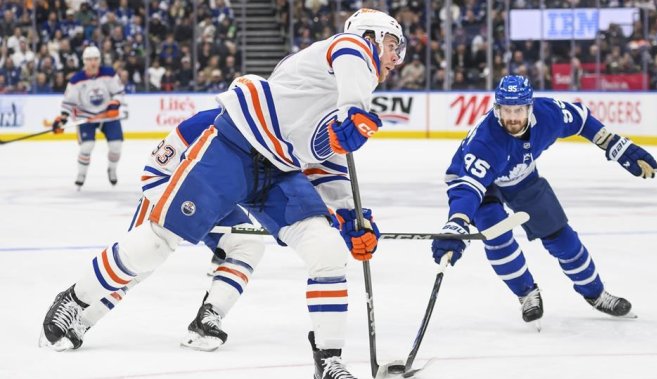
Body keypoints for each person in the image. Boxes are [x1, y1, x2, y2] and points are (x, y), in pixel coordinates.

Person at [41, 9, 405, 379]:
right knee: (156, 244)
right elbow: (350, 51)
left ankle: (327, 361)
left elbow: (324, 165)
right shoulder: (345, 51)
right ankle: (75, 300)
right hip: (236, 147)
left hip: (279, 172)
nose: (395, 58)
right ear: (370, 37)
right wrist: (354, 111)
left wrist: (350, 218)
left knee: (326, 251)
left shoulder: (342, 100)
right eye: (392, 46)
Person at [430, 75, 657, 329]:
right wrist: (457, 221)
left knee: (563, 238)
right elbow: (469, 188)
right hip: (479, 186)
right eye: (506, 110)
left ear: (530, 107)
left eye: (518, 110)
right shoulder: (486, 141)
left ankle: (596, 293)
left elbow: (582, 120)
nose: (512, 117)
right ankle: (527, 293)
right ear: (497, 109)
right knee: (497, 233)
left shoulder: (548, 114)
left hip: (521, 177)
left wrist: (616, 145)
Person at [75, 79, 265, 352]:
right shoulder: (201, 124)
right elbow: (153, 174)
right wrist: (178, 214)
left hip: (213, 202)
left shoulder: (264, 137)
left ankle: (208, 318)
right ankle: (79, 319)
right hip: (169, 194)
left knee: (249, 244)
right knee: (141, 262)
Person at [51, 45, 125, 188]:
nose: (93, 62)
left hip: (107, 115)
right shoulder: (76, 80)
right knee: (87, 146)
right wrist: (62, 118)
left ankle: (112, 169)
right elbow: (68, 102)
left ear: (100, 60)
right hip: (86, 117)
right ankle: (82, 173)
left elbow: (119, 92)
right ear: (84, 61)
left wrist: (115, 104)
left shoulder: (109, 73)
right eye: (90, 59)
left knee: (116, 146)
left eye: (96, 59)